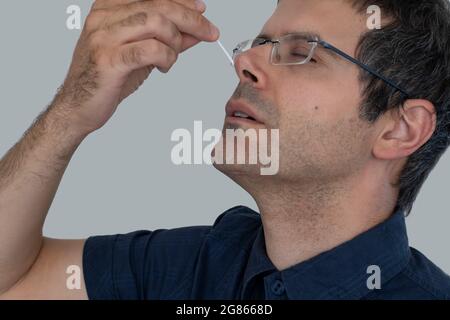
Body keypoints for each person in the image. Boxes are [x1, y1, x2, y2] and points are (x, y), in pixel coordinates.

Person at [0, 0, 449, 300]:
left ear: (401, 129)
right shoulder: (192, 266)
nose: (244, 62)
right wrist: (72, 109)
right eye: (260, 45)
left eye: (304, 52)